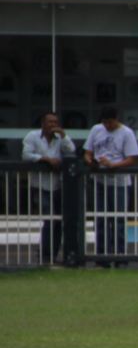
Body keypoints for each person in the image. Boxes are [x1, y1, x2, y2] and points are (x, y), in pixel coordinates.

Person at [82, 106, 138, 266]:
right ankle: (102, 256)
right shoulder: (96, 129)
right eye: (105, 122)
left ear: (116, 119)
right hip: (99, 180)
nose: (107, 126)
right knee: (100, 218)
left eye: (110, 122)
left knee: (118, 219)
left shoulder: (126, 133)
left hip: (119, 182)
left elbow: (132, 158)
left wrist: (114, 165)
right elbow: (87, 151)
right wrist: (90, 161)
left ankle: (119, 255)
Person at [21, 111, 76, 263]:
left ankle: (52, 253)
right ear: (43, 124)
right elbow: (26, 155)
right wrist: (45, 159)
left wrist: (64, 136)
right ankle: (45, 253)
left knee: (58, 220)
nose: (53, 125)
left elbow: (71, 151)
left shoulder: (60, 138)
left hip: (58, 185)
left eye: (55, 122)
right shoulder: (32, 136)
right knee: (49, 218)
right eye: (50, 122)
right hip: (40, 185)